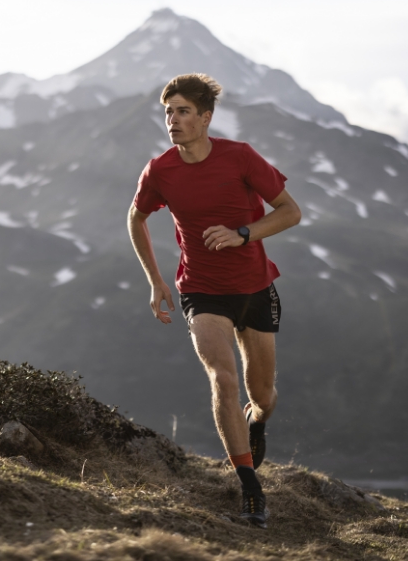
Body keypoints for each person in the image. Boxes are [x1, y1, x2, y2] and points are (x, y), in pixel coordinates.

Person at [127, 73, 301, 528]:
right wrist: (155, 280)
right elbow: (136, 216)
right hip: (202, 291)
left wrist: (243, 233)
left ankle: (255, 421)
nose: (173, 120)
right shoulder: (160, 170)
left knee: (262, 395)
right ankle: (250, 489)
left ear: (206, 117)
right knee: (223, 380)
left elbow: (290, 212)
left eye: (183, 111)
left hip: (256, 288)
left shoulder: (240, 157)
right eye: (168, 112)